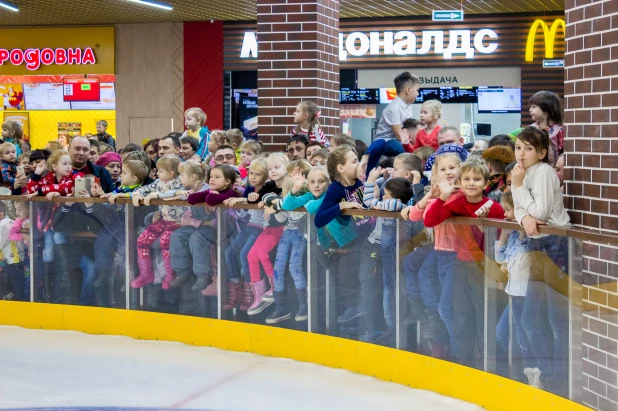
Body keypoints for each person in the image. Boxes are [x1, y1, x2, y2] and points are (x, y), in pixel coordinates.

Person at [424, 162, 505, 367]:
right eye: (467, 179)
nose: (471, 184)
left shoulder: (494, 208)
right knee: (460, 314)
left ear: (486, 184)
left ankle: (487, 362)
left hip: (483, 266)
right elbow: (430, 220)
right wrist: (443, 196)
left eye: (476, 180)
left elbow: (498, 238)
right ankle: (464, 361)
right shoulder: (457, 203)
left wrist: (483, 226)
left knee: (482, 314)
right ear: (459, 182)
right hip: (461, 264)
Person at [511, 126, 570, 394]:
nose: (521, 154)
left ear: (543, 152)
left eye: (528, 149)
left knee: (544, 319)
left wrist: (518, 188)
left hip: (552, 245)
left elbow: (541, 212)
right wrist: (523, 217)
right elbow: (522, 212)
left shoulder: (544, 173)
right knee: (533, 319)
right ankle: (547, 374)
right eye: (518, 148)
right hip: (536, 243)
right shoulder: (523, 173)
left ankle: (554, 377)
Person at [316, 145, 384, 343]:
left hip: (372, 240)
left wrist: (367, 167)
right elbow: (319, 219)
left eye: (358, 160)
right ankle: (363, 324)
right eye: (353, 161)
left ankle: (373, 327)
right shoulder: (335, 190)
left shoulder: (362, 181)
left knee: (368, 281)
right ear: (340, 168)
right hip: (356, 244)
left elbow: (381, 142)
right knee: (355, 279)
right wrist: (341, 205)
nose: (358, 164)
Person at [493, 190, 539, 388]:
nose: (505, 215)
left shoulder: (531, 238)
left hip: (528, 293)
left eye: (508, 210)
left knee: (526, 333)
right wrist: (503, 237)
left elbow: (525, 261)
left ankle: (533, 371)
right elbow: (500, 258)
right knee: (510, 334)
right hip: (515, 293)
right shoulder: (512, 236)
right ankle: (524, 371)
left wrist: (521, 233)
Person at [92, 160, 149, 302]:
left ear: (134, 178)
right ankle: (103, 272)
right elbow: (111, 195)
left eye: (124, 173)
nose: (120, 175)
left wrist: (119, 196)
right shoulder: (121, 187)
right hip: (114, 225)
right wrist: (102, 194)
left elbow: (135, 196)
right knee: (101, 245)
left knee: (126, 252)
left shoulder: (140, 189)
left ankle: (126, 278)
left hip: (128, 226)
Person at [222, 158, 269, 311]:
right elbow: (247, 209)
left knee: (244, 255)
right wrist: (237, 203)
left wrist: (246, 199)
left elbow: (265, 200)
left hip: (262, 227)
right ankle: (236, 286)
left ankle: (251, 291)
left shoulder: (269, 190)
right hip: (250, 225)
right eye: (251, 173)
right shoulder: (250, 188)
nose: (253, 177)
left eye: (258, 174)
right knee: (229, 252)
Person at [130, 154, 184, 289]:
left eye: (160, 171)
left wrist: (158, 195)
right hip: (164, 220)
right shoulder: (158, 183)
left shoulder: (181, 183)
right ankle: (146, 274)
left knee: (165, 240)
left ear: (171, 173)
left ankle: (170, 275)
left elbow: (179, 193)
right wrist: (136, 195)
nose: (157, 173)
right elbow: (143, 189)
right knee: (142, 239)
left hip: (178, 222)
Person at [245, 153, 289, 315]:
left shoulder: (289, 184)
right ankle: (259, 292)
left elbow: (286, 201)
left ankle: (275, 285)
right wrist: (253, 197)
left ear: (286, 166)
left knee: (262, 252)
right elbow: (256, 198)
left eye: (277, 168)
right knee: (251, 255)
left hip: (283, 227)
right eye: (270, 169)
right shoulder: (269, 185)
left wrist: (269, 200)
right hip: (270, 226)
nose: (273, 171)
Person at [358, 72, 421, 176]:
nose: (418, 94)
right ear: (408, 90)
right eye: (417, 90)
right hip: (385, 142)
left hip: (396, 140)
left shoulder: (408, 106)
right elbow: (398, 135)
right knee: (402, 148)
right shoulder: (394, 108)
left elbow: (408, 128)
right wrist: (410, 148)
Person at [529, 91, 564, 165]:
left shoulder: (559, 130)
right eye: (530, 107)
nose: (530, 110)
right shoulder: (530, 129)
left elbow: (562, 153)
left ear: (546, 110)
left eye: (533, 107)